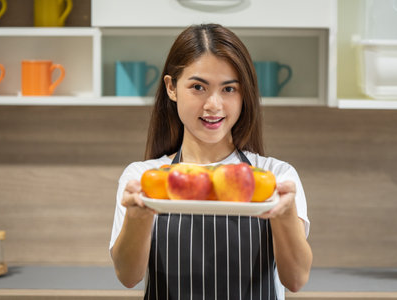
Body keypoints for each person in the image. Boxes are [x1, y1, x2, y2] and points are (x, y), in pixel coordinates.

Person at [109, 23, 312, 299]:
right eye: (198, 87)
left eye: (229, 89)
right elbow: (128, 276)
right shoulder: (145, 177)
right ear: (171, 88)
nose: (213, 105)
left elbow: (296, 279)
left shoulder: (275, 176)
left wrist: (285, 212)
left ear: (244, 94)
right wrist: (138, 215)